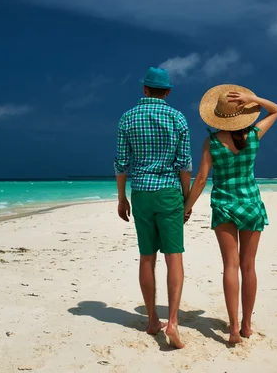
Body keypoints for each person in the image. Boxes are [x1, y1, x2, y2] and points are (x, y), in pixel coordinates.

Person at [183, 84, 277, 344]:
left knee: (230, 265)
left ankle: (234, 328)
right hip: (251, 204)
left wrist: (187, 207)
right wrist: (253, 98)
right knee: (248, 267)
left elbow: (202, 179)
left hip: (225, 205)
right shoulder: (254, 135)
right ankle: (248, 325)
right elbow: (276, 110)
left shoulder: (213, 142)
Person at [114, 67, 192, 349]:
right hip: (169, 191)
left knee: (147, 256)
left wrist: (122, 197)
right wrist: (187, 197)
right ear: (168, 92)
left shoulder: (128, 117)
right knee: (174, 256)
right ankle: (172, 321)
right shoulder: (177, 118)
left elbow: (122, 162)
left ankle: (151, 320)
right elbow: (184, 164)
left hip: (142, 193)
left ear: (145, 89)